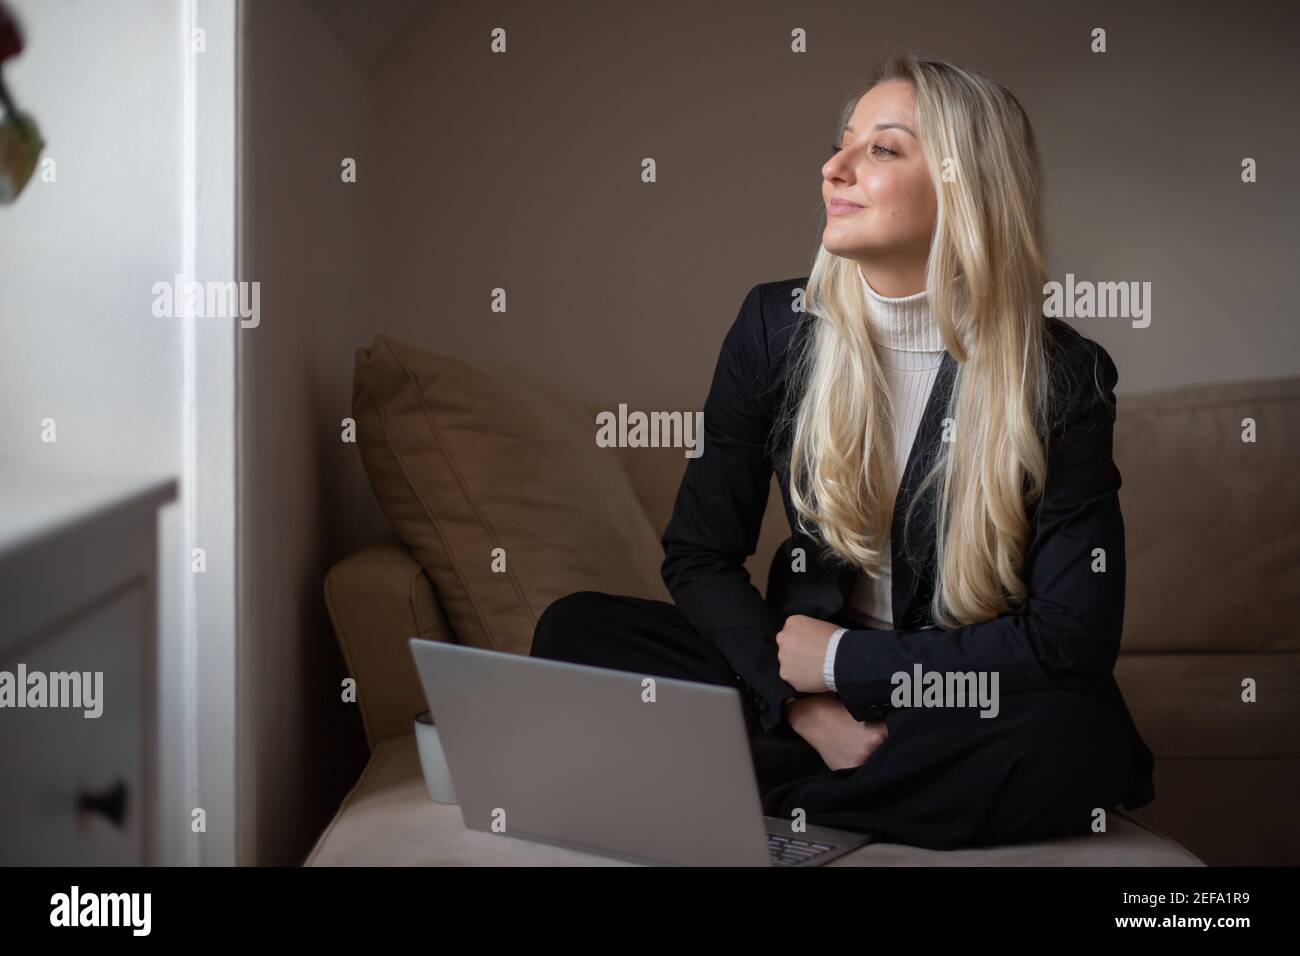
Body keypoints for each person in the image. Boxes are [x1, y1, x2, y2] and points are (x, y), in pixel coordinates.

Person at [531, 51, 1155, 850]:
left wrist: (849, 667)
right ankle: (829, 775)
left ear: (967, 187)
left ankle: (737, 784)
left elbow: (1070, 640)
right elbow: (698, 555)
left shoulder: (1063, 376)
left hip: (949, 690)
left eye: (882, 150)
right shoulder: (773, 327)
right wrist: (804, 704)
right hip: (792, 682)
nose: (834, 168)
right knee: (574, 631)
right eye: (841, 144)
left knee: (1074, 742)